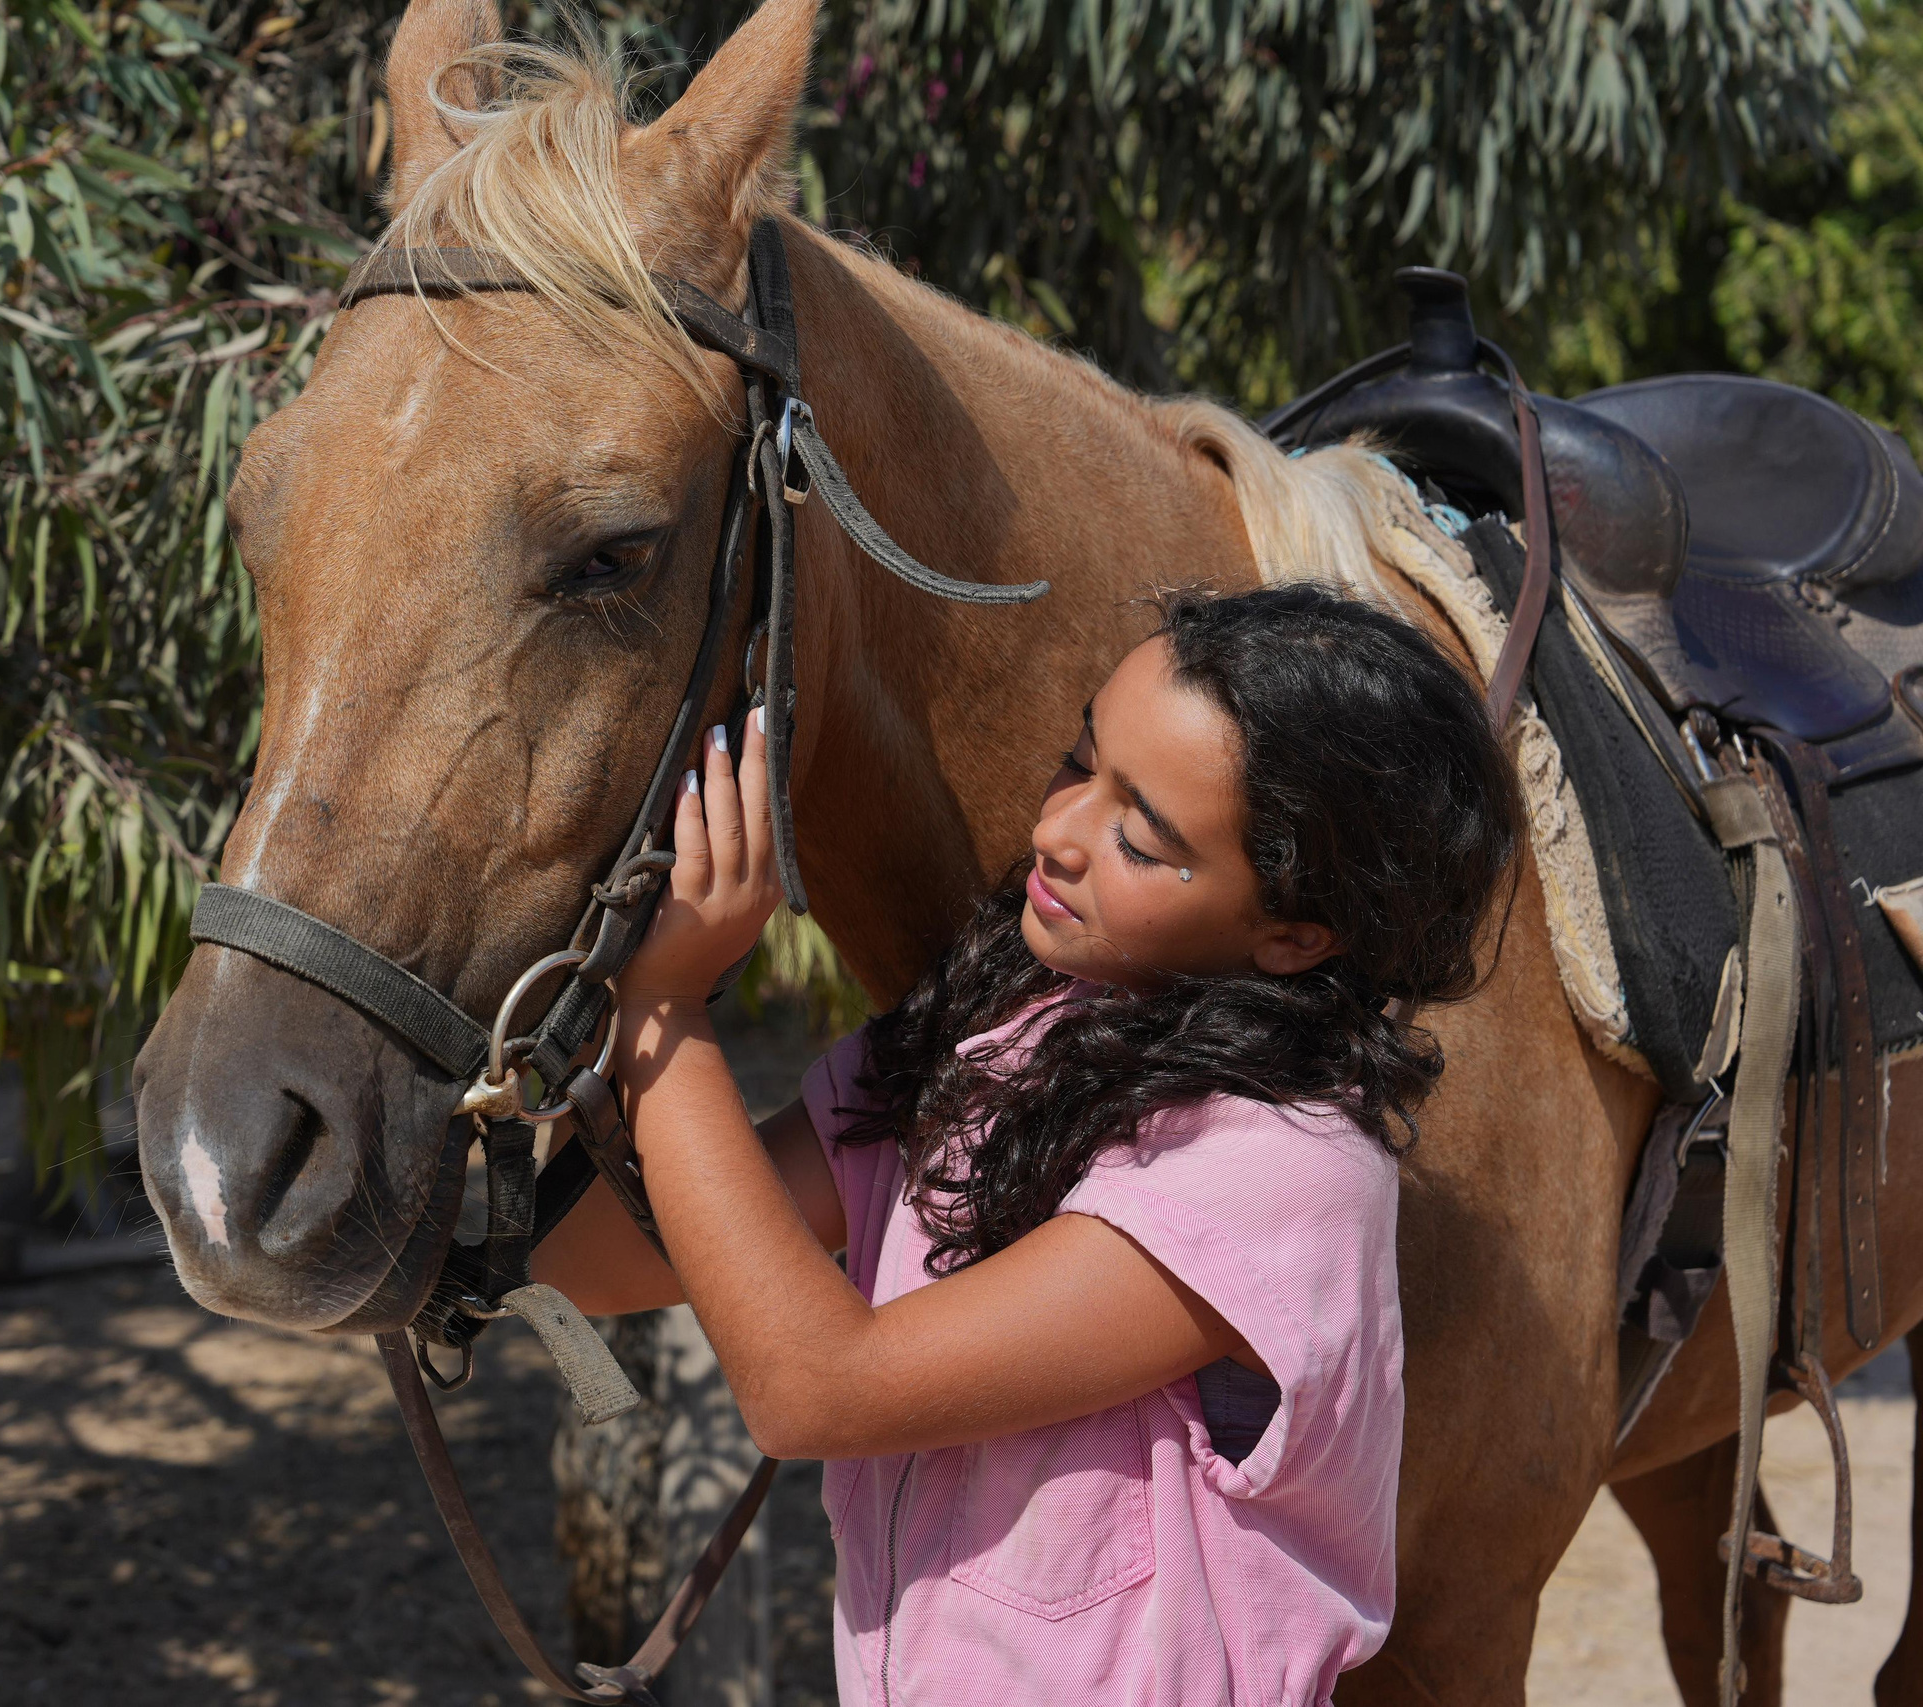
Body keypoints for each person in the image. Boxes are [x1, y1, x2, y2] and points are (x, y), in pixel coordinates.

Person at [531, 583, 1525, 1705]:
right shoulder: (1003, 1037)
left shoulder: (1281, 1165)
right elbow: (594, 1261)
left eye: (1138, 839)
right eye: (1076, 761)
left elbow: (815, 1391)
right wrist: (597, 991)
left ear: (1293, 935)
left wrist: (669, 1007)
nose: (1054, 833)